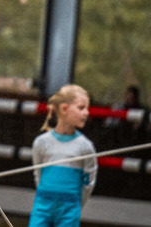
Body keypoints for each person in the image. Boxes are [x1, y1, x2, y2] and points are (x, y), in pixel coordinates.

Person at [30, 84, 97, 226]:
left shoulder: (86, 147)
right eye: (81, 108)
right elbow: (38, 174)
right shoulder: (41, 143)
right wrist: (46, 197)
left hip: (70, 209)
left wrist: (75, 204)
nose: (86, 113)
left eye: (87, 108)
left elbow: (89, 182)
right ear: (64, 109)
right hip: (42, 206)